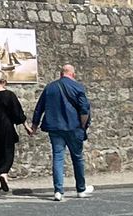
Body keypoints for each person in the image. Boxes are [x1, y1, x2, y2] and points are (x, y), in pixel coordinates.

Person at [31, 61, 93, 201]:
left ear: (61, 74)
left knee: (58, 157)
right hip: (74, 127)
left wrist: (34, 126)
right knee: (77, 157)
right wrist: (82, 126)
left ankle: (58, 191)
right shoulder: (78, 87)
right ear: (73, 74)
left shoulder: (50, 87)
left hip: (55, 128)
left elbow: (39, 108)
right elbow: (84, 109)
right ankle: (81, 189)